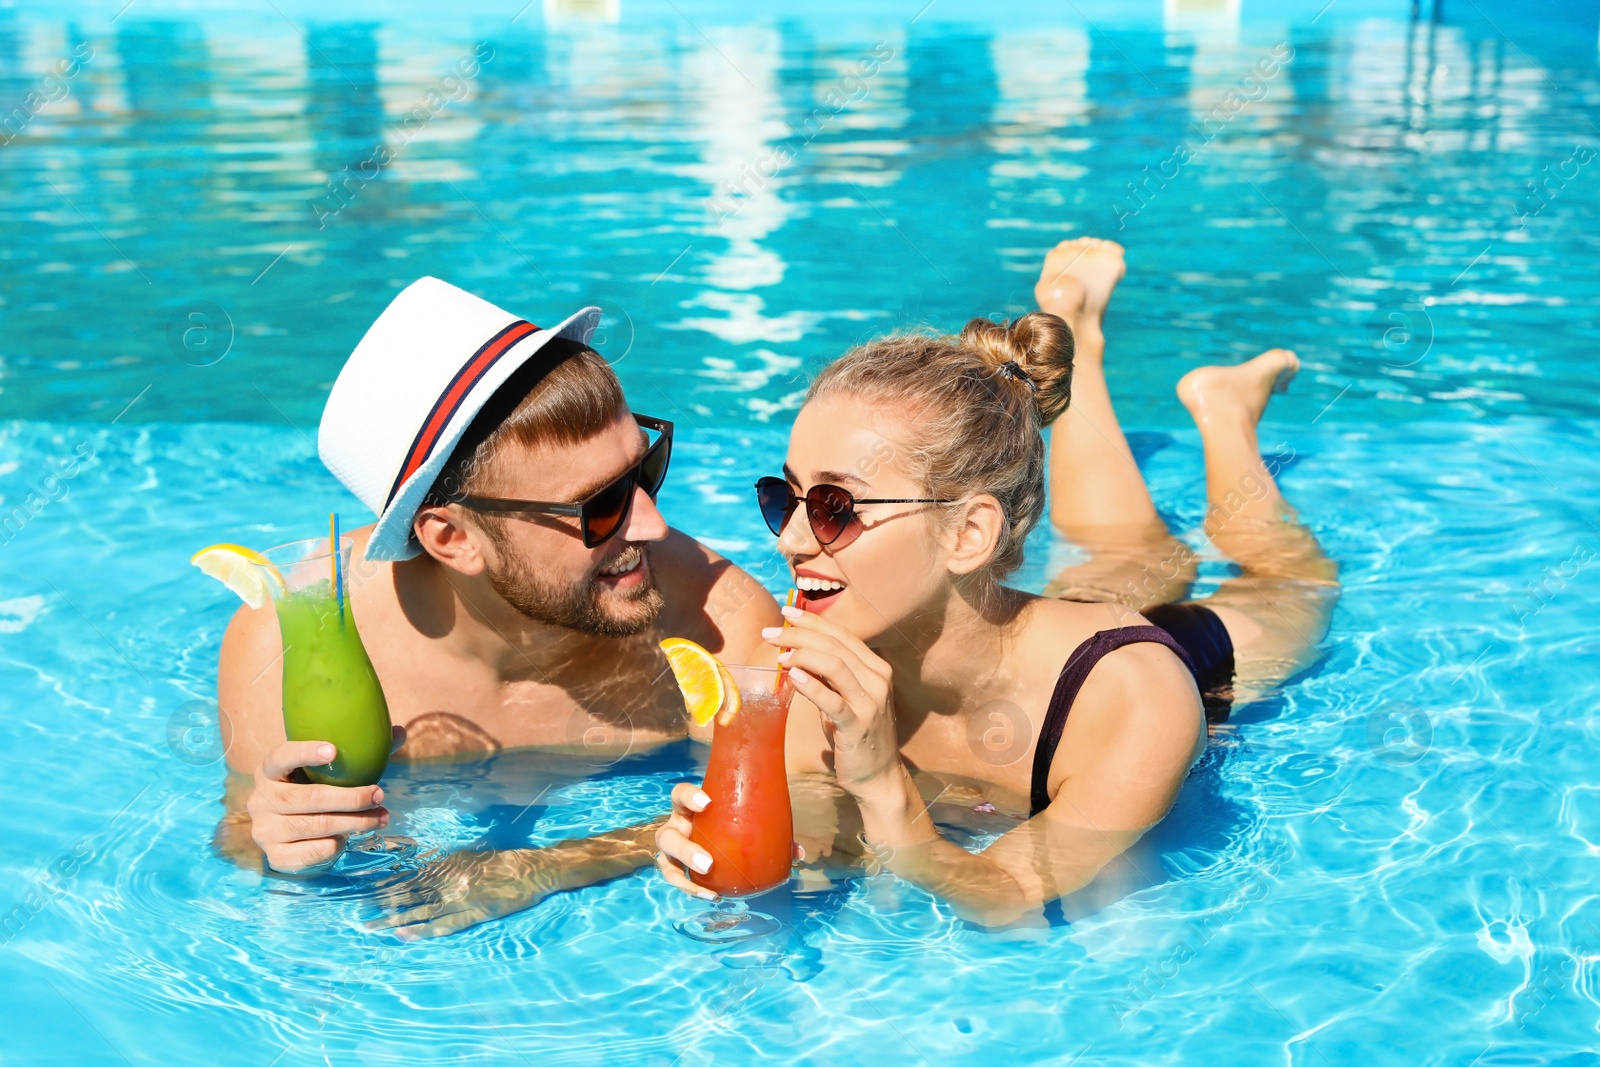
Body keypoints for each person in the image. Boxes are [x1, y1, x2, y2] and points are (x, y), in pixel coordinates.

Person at [654, 238, 1340, 926]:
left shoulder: (1134, 696)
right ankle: (1085, 343)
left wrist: (879, 781)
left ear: (967, 534)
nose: (791, 538)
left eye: (836, 508)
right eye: (785, 497)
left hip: (1159, 658)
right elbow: (810, 845)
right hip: (1017, 619)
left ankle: (1226, 415)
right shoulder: (805, 679)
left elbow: (1009, 899)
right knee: (1120, 554)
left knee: (1292, 578)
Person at [213, 278, 778, 925]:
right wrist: (278, 841)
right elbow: (240, 837)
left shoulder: (711, 621)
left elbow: (806, 808)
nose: (651, 525)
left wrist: (548, 865)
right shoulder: (284, 645)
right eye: (601, 506)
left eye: (643, 471)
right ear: (452, 538)